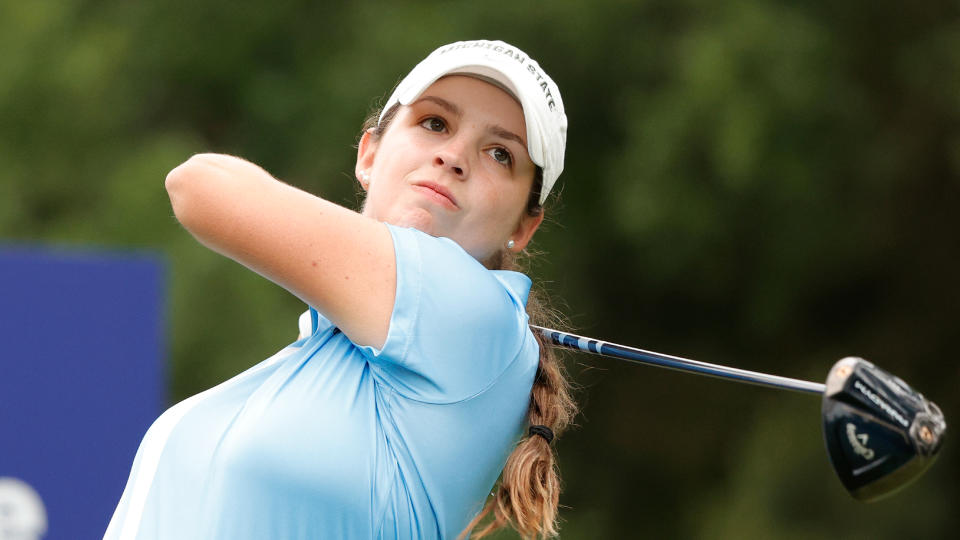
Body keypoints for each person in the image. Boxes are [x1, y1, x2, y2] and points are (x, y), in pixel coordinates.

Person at [105, 39, 576, 540]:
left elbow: (201, 185)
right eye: (435, 123)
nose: (454, 157)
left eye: (500, 154)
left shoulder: (477, 316)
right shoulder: (316, 352)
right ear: (369, 153)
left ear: (524, 228)